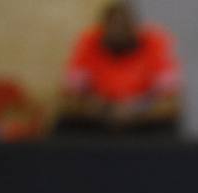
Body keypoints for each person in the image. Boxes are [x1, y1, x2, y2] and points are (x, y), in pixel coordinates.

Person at [54, 1, 182, 136]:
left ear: (135, 27)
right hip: (99, 118)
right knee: (64, 125)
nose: (118, 31)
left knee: (167, 128)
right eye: (112, 26)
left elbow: (171, 103)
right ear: (102, 29)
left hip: (142, 120)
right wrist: (101, 108)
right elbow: (67, 100)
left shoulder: (155, 43)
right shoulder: (89, 43)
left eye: (123, 26)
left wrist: (136, 110)